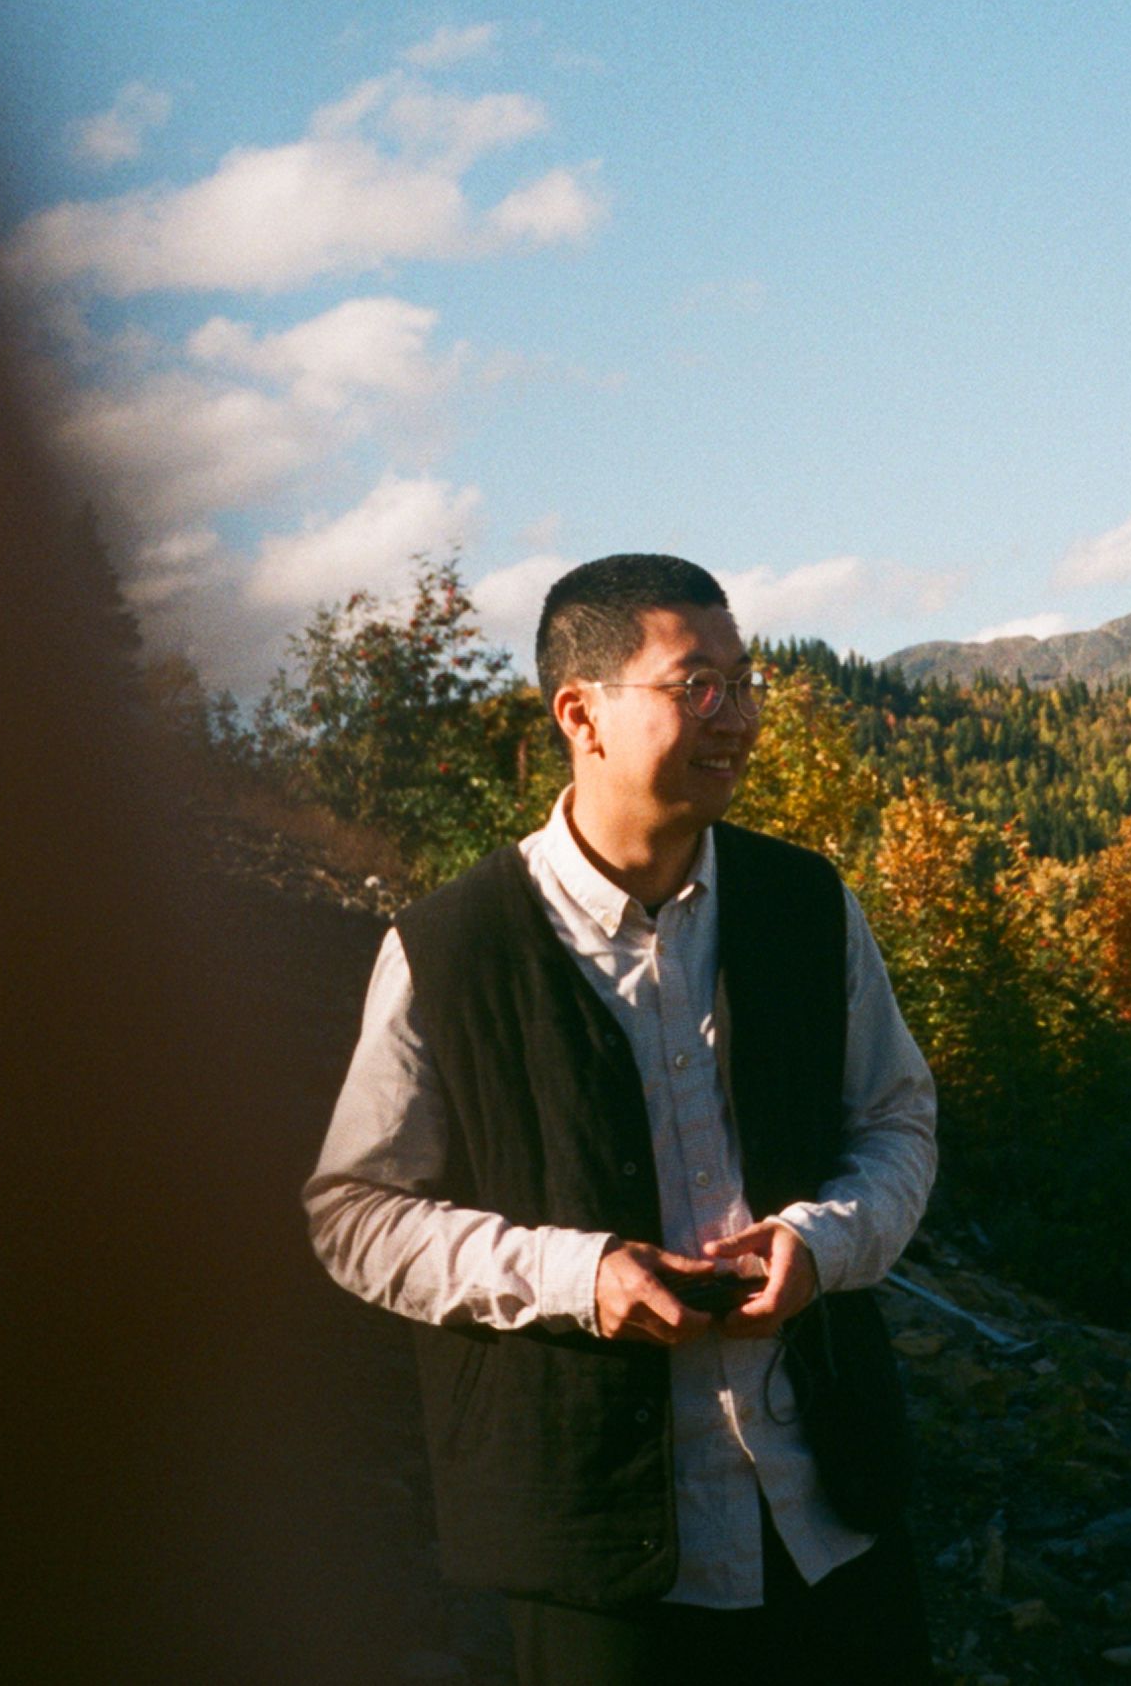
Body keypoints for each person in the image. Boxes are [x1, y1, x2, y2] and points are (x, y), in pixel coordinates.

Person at [305, 554, 937, 1685]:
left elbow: (896, 1120)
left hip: (828, 1512)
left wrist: (821, 1241)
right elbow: (355, 1215)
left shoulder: (804, 905)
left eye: (745, 686)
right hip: (601, 1556)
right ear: (579, 714)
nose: (737, 718)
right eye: (698, 687)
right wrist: (579, 1278)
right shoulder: (449, 951)